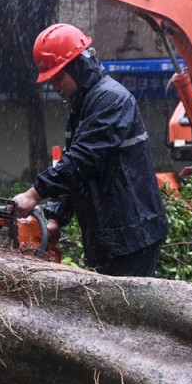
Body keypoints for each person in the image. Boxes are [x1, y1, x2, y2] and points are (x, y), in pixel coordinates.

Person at [12, 23, 168, 277]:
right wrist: (55, 220)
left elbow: (83, 159)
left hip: (131, 233)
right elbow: (76, 172)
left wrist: (33, 194)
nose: (54, 85)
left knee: (120, 312)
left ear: (77, 66)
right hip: (108, 234)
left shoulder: (112, 99)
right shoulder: (83, 106)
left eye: (57, 77)